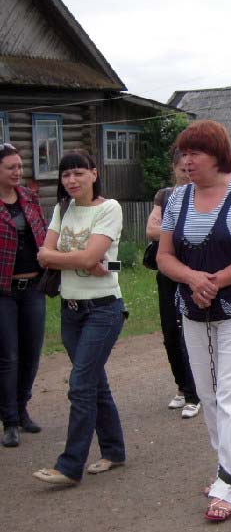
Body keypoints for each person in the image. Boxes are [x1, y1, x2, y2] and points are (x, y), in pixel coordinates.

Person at [157, 120, 231, 521]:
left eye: (196, 153)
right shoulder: (177, 198)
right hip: (193, 310)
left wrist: (215, 281)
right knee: (208, 396)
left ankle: (229, 482)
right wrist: (192, 279)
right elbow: (164, 256)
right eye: (184, 153)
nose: (187, 161)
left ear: (218, 155)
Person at [32, 151, 126, 486]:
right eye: (66, 175)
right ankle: (114, 451)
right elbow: (44, 255)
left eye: (78, 173)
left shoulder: (109, 208)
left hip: (103, 309)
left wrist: (73, 258)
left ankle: (70, 466)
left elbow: (94, 258)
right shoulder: (62, 209)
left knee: (81, 385)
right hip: (71, 311)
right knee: (95, 384)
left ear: (94, 174)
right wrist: (81, 259)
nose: (72, 180)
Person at [145, 149, 200, 418]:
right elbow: (150, 230)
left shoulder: (202, 195)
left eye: (191, 170)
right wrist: (179, 230)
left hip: (194, 271)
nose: (187, 175)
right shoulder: (164, 196)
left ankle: (194, 393)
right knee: (169, 332)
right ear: (174, 170)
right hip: (167, 273)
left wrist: (167, 231)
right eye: (182, 171)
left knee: (189, 332)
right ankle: (181, 386)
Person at [0, 143, 47, 447]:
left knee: (31, 353)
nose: (17, 172)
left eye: (19, 166)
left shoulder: (30, 198)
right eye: (10, 167)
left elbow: (44, 233)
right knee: (8, 356)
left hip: (33, 288)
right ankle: (9, 421)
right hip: (3, 291)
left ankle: (22, 409)